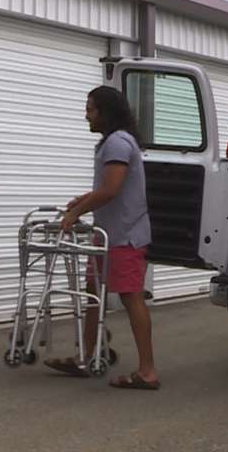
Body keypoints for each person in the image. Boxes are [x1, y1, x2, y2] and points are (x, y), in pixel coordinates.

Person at [44, 85, 159, 390]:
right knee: (93, 292)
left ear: (105, 112)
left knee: (131, 297)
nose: (86, 115)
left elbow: (111, 190)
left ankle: (147, 371)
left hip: (125, 236)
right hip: (108, 235)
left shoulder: (119, 143)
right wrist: (83, 200)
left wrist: (75, 213)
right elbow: (108, 187)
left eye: (91, 109)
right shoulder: (112, 144)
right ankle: (88, 354)